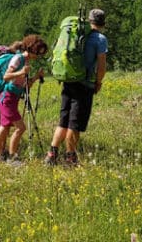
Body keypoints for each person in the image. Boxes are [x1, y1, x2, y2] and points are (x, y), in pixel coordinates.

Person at [44, 9, 108, 166]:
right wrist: (98, 82)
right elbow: (101, 67)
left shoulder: (74, 33)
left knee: (63, 120)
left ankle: (51, 155)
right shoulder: (100, 39)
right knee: (75, 123)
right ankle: (70, 157)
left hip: (68, 81)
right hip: (84, 84)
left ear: (89, 20)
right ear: (103, 23)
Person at [0, 35, 48, 165]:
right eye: (38, 52)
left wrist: (36, 76)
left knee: (4, 128)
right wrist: (21, 72)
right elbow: (6, 76)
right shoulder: (18, 58)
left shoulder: (26, 62)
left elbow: (26, 85)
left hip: (13, 98)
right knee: (21, 128)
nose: (38, 56)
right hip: (7, 98)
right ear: (31, 48)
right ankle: (13, 157)